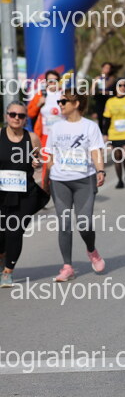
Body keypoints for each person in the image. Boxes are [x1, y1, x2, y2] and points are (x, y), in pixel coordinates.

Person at [45, 90, 107, 282]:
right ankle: (67, 267)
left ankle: (92, 251)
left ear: (77, 103)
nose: (60, 104)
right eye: (59, 101)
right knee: (64, 225)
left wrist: (100, 170)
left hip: (84, 181)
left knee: (84, 224)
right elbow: (49, 155)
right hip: (60, 181)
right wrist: (49, 175)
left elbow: (95, 151)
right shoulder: (56, 128)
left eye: (64, 101)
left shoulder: (90, 126)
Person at [0, 102, 44, 287]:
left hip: (25, 194)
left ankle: (8, 271)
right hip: (2, 193)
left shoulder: (32, 138)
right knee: (2, 234)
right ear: (6, 116)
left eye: (21, 115)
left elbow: (39, 160)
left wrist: (37, 163)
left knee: (14, 231)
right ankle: (3, 256)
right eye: (13, 114)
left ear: (26, 119)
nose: (16, 118)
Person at [27, 70, 63, 188]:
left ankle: (61, 188)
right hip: (46, 135)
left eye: (55, 80)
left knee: (61, 162)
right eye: (50, 81)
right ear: (46, 82)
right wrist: (39, 104)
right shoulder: (41, 95)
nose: (53, 83)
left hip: (63, 135)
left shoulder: (63, 94)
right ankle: (45, 189)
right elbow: (30, 113)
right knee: (47, 164)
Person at [93, 62, 119, 135]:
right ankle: (101, 133)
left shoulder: (112, 78)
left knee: (108, 116)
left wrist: (103, 77)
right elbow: (92, 90)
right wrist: (95, 83)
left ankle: (109, 132)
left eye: (108, 68)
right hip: (100, 99)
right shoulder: (97, 78)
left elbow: (106, 86)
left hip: (108, 99)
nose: (107, 69)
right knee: (100, 117)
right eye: (105, 67)